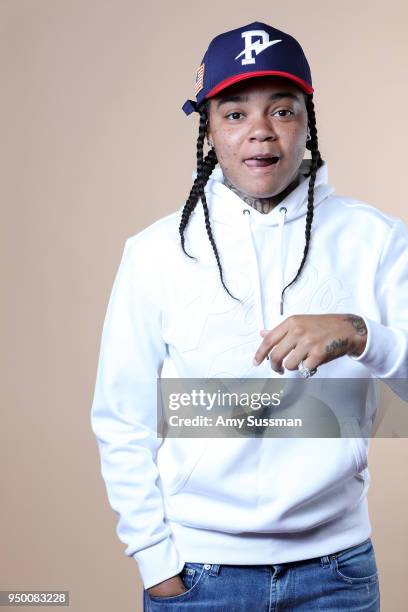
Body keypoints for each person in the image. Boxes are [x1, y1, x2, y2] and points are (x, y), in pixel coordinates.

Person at [90, 21, 408, 610]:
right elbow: (121, 418)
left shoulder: (377, 239)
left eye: (281, 111)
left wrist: (362, 334)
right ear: (207, 130)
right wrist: (154, 559)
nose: (260, 132)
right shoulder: (155, 253)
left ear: (307, 122)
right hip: (199, 572)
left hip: (336, 574)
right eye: (234, 114)